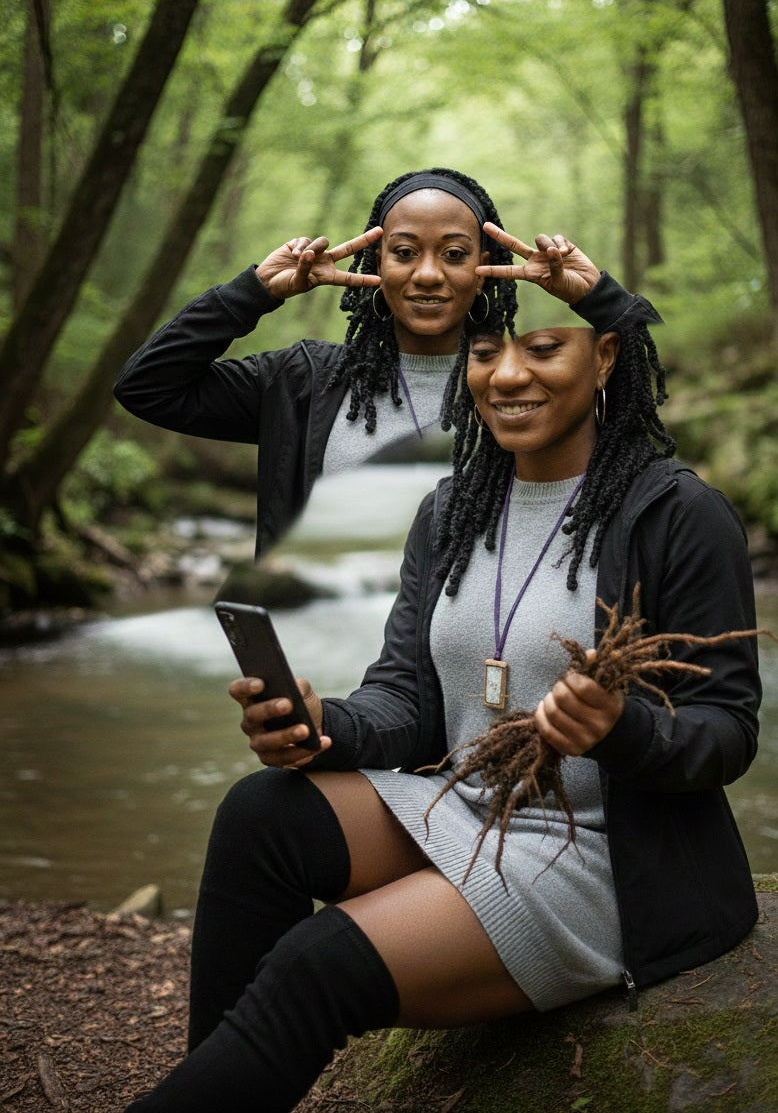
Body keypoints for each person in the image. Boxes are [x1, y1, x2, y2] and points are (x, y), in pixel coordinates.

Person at [124, 230, 762, 1112]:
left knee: (318, 962)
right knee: (259, 815)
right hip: (466, 805)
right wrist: (323, 726)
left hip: (605, 859)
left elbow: (729, 733)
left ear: (605, 356)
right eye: (489, 353)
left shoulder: (680, 514)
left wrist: (624, 730)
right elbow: (410, 703)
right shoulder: (454, 508)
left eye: (545, 349)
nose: (508, 377)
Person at [113, 168, 517, 557]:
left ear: (482, 269)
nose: (428, 273)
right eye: (405, 252)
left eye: (453, 254)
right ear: (378, 262)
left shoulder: (527, 387)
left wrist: (582, 295)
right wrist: (254, 292)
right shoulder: (304, 380)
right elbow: (147, 386)